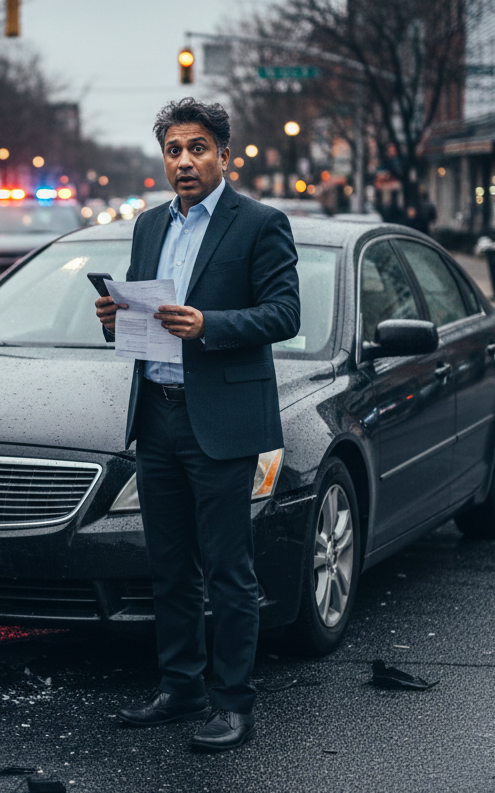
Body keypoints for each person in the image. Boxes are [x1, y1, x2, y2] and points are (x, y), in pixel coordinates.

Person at [94, 98, 300, 752]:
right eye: (174, 149)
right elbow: (143, 319)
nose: (184, 160)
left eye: (198, 148)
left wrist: (208, 325)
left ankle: (233, 701)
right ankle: (180, 685)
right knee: (169, 566)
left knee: (228, 567)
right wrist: (114, 320)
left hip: (220, 420)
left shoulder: (260, 223)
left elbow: (284, 313)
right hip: (156, 415)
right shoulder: (148, 225)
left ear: (224, 155)